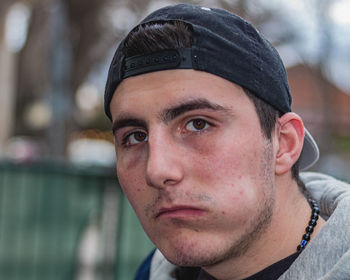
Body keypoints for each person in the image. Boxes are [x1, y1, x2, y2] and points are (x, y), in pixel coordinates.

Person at [104, 4, 350, 280]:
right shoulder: (150, 272)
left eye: (198, 124)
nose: (157, 171)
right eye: (135, 137)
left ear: (284, 144)